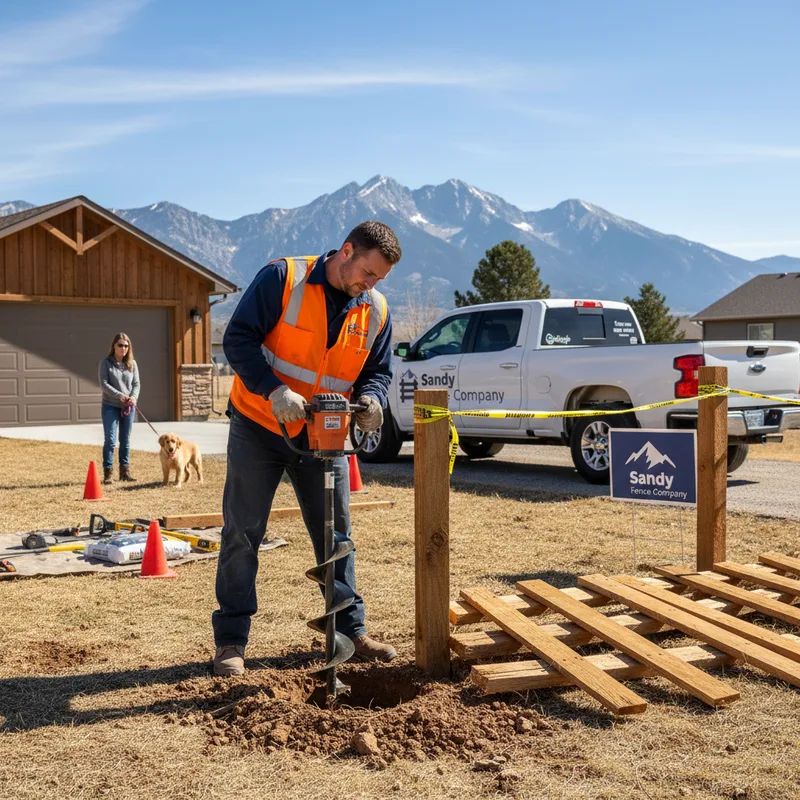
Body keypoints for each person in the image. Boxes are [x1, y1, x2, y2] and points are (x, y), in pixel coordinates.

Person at [212, 220, 401, 677]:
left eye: (378, 279)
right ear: (346, 250)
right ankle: (231, 642)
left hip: (326, 436)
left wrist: (374, 398)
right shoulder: (283, 278)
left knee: (336, 537)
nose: (369, 285)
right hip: (260, 425)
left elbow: (377, 369)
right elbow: (237, 339)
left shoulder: (374, 309)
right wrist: (273, 390)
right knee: (242, 534)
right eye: (367, 273)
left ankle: (350, 630)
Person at [98, 332, 140, 484]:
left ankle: (124, 473)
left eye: (126, 346)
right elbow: (104, 384)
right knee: (110, 440)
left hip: (128, 407)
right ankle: (108, 474)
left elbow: (136, 384)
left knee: (125, 440)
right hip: (110, 405)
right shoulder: (105, 363)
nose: (123, 348)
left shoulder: (132, 364)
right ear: (114, 346)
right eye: (120, 345)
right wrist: (120, 395)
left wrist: (133, 397)